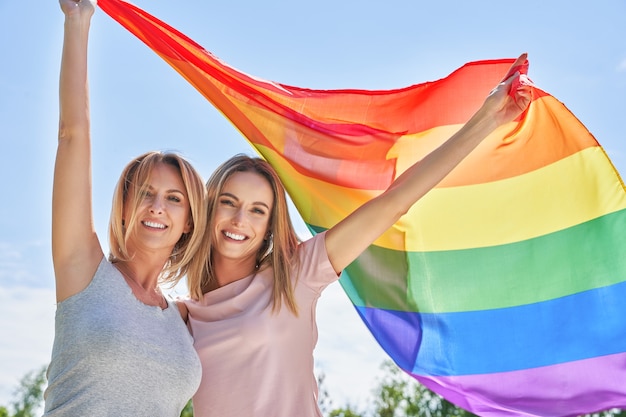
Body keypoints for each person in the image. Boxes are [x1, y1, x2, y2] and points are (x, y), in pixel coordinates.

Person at [180, 54, 532, 416]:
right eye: (229, 202)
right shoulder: (183, 318)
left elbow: (395, 201)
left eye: (258, 210)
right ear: (207, 210)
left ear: (270, 227)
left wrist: (487, 119)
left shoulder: (295, 275)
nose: (240, 219)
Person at [44, 1, 206, 415]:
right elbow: (71, 136)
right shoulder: (83, 269)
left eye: (174, 199)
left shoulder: (185, 321)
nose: (157, 207)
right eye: (146, 193)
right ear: (124, 205)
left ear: (189, 222)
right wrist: (77, 21)